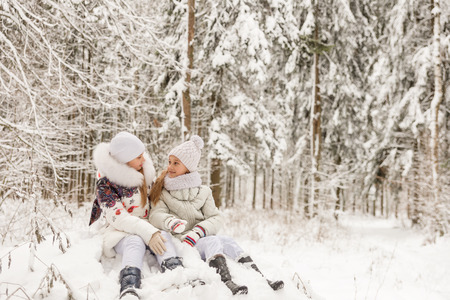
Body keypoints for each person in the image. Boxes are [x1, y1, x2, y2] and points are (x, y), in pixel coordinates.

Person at [148, 135, 284, 295]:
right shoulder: (163, 191)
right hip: (181, 240)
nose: (170, 167)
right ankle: (227, 280)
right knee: (213, 241)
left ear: (188, 167)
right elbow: (156, 215)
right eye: (170, 162)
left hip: (198, 237)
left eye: (176, 163)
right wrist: (170, 222)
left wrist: (198, 231)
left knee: (228, 240)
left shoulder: (203, 191)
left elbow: (216, 218)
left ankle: (260, 276)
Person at [89, 132, 183, 299]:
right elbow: (119, 218)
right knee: (135, 241)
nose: (144, 160)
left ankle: (176, 274)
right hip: (120, 230)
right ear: (125, 160)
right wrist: (148, 232)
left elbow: (155, 204)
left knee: (164, 237)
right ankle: (129, 284)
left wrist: (164, 222)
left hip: (146, 224)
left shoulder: (143, 175)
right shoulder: (106, 184)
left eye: (143, 155)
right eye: (138, 157)